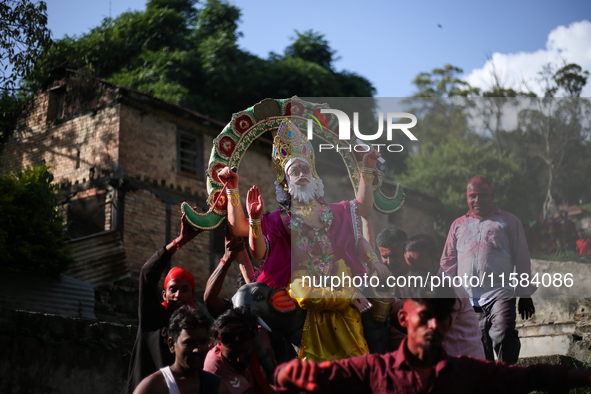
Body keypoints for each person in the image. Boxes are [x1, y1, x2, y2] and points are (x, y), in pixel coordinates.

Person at [219, 120, 391, 361]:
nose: (301, 175)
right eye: (294, 172)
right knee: (300, 295)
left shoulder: (332, 211)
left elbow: (363, 208)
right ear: (286, 182)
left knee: (372, 311)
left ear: (313, 174)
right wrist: (236, 196)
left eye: (304, 170)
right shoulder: (280, 219)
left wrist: (366, 167)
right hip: (305, 280)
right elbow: (244, 234)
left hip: (338, 274)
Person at [274, 285, 591, 394]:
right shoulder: (371, 370)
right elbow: (321, 377)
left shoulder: (468, 372)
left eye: (442, 317)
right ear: (403, 318)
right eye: (425, 316)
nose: (434, 325)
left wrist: (585, 376)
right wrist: (287, 374)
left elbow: (531, 377)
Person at [126, 214, 242, 393]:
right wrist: (179, 242)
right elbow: (147, 275)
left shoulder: (200, 327)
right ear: (163, 294)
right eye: (173, 289)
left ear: (194, 295)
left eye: (184, 289)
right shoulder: (153, 318)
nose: (178, 294)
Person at [440, 175, 535, 364]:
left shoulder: (508, 222)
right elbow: (448, 262)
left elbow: (522, 259)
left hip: (500, 293)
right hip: (467, 298)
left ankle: (507, 375)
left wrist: (525, 294)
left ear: (492, 196)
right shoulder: (458, 225)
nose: (477, 200)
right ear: (466, 197)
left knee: (505, 331)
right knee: (479, 347)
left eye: (483, 195)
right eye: (473, 196)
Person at [389, 234, 484, 358]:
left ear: (436, 260)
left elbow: (425, 329)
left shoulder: (448, 290)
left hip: (464, 367)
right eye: (411, 270)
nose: (415, 275)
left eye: (421, 269)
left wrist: (390, 309)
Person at [133, 306, 226, 394]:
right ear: (172, 344)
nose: (197, 350)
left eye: (203, 342)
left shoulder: (217, 388)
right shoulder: (154, 387)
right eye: (189, 343)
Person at [204, 307, 271, 394]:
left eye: (245, 351)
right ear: (220, 341)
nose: (240, 358)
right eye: (232, 354)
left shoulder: (254, 342)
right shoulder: (216, 365)